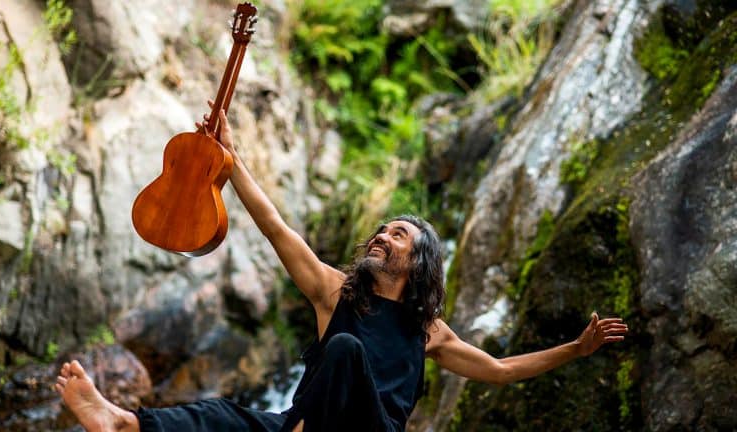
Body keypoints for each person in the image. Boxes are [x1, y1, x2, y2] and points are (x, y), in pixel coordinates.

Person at [54, 106, 629, 432]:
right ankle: (119, 422)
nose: (381, 235)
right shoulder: (335, 292)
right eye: (381, 229)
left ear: (420, 261)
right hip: (303, 425)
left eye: (398, 234)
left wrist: (574, 351)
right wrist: (231, 160)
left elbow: (501, 370)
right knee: (220, 415)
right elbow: (277, 227)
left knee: (347, 351)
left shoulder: (429, 331)